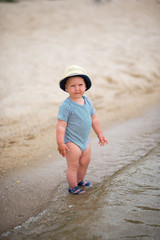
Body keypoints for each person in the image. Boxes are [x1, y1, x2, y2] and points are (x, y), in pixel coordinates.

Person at [56, 65, 108, 195]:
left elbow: (94, 119)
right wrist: (60, 143)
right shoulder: (66, 106)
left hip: (85, 140)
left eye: (80, 85)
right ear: (66, 88)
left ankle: (79, 180)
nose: (77, 88)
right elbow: (61, 126)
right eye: (72, 86)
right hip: (72, 142)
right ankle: (72, 187)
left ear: (85, 86)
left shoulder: (87, 101)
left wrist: (99, 134)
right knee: (73, 166)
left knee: (85, 161)